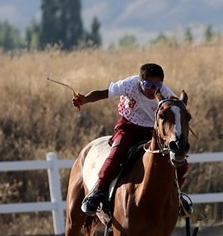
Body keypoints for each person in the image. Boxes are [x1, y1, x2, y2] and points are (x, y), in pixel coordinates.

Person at [72, 62, 185, 216]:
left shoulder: (165, 93)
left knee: (180, 162)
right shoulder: (129, 85)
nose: (152, 90)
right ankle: (97, 191)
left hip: (151, 132)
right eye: (148, 85)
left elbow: (177, 111)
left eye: (157, 85)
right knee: (117, 152)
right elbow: (102, 93)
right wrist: (85, 99)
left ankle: (176, 196)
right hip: (128, 127)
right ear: (140, 82)